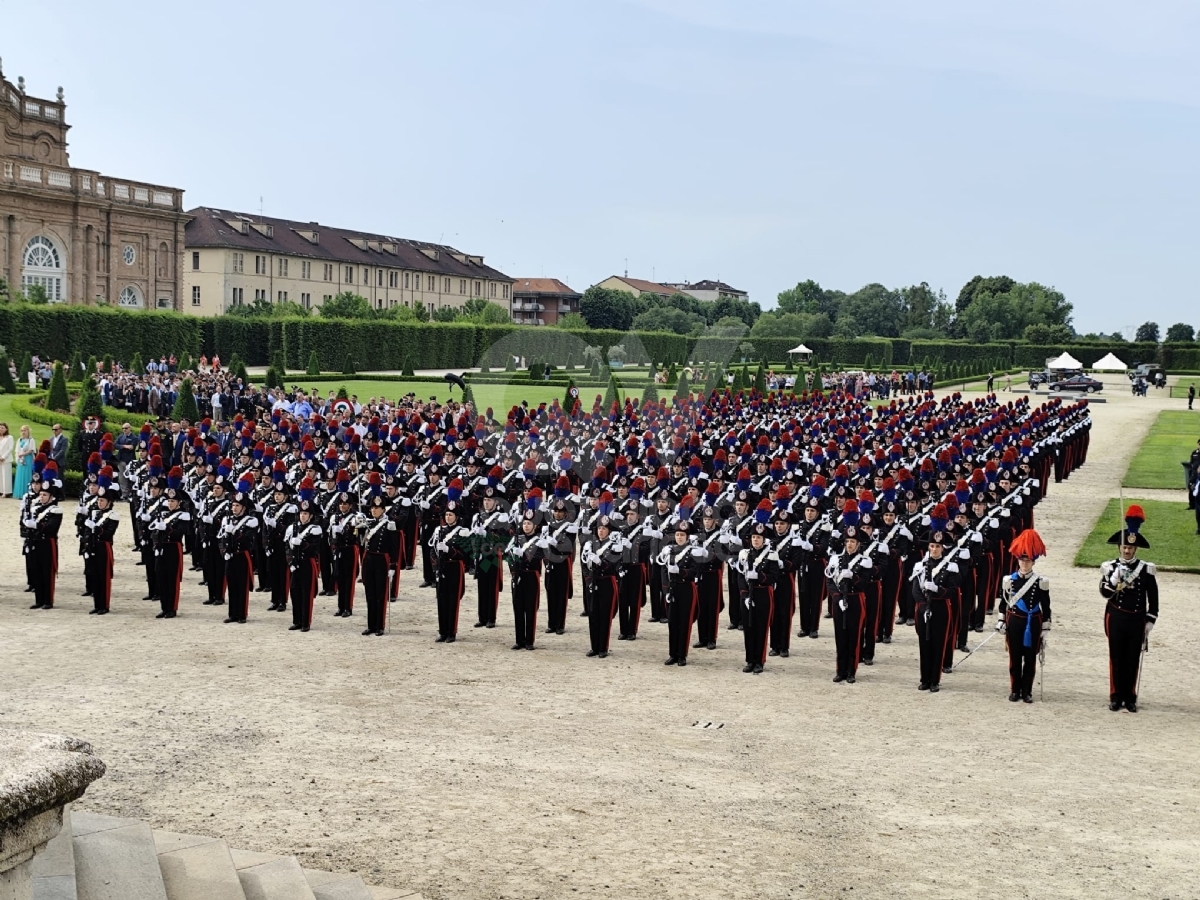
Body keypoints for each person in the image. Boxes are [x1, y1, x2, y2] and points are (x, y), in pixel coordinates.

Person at [1100, 505, 1158, 712]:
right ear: (1119, 548)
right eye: (1124, 548)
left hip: (1136, 618)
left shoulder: (1145, 569)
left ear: (1135, 549)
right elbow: (1104, 593)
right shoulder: (1110, 567)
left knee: (1133, 658)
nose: (1127, 551)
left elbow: (1153, 597)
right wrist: (1114, 579)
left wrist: (1150, 620)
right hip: (1116, 616)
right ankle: (1115, 696)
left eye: (1130, 548)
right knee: (1116, 656)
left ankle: (1130, 696)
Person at [997, 529, 1051, 703]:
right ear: (1018, 560)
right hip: (1015, 621)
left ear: (1033, 562)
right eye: (1022, 560)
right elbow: (1003, 604)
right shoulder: (1009, 580)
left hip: (1032, 622)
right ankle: (1015, 689)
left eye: (1028, 561)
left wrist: (1045, 627)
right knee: (1015, 657)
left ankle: (1027, 691)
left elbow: (1046, 606)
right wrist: (1001, 620)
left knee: (1029, 658)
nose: (1025, 564)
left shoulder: (1040, 582)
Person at [909, 528, 961, 692]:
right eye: (932, 546)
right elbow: (915, 590)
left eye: (937, 546)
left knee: (939, 644)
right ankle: (924, 679)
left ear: (942, 548)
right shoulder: (920, 565)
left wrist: (937, 589)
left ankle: (934, 681)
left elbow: (953, 590)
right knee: (924, 643)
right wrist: (924, 605)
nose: (934, 549)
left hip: (941, 607)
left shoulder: (950, 567)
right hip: (923, 607)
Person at [285, 500, 323, 632]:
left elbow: (314, 549)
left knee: (307, 593)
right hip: (295, 563)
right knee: (294, 592)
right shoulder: (292, 528)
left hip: (307, 562)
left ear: (311, 516)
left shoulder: (315, 529)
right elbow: (287, 547)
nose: (303, 516)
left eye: (306, 513)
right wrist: (290, 562)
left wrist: (301, 543)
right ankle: (297, 621)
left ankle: (306, 622)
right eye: (301, 513)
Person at [24, 481, 63, 609]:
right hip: (35, 542)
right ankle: (39, 600)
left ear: (51, 497)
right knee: (36, 571)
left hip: (47, 543)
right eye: (40, 494)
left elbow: (52, 528)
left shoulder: (56, 510)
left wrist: (36, 525)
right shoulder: (35, 508)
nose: (41, 497)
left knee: (47, 572)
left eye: (45, 495)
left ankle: (48, 600)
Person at [83, 484, 120, 615]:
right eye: (98, 500)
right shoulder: (95, 514)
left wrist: (96, 529)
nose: (99, 502)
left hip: (104, 547)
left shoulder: (112, 516)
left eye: (102, 500)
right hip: (93, 546)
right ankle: (97, 604)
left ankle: (104, 605)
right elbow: (87, 532)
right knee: (94, 576)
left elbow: (108, 534)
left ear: (109, 502)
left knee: (103, 577)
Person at [13, 425, 34, 498]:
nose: (23, 432)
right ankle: (19, 493)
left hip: (27, 459)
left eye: (25, 430)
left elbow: (31, 450)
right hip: (20, 459)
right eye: (22, 430)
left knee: (27, 475)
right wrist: (19, 455)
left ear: (28, 431)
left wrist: (23, 454)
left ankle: (27, 493)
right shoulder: (19, 440)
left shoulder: (31, 440)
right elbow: (17, 449)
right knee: (20, 475)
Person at [0, 423, 13, 496]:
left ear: (6, 429)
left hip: (6, 459)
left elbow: (10, 448)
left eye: (2, 428)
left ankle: (6, 492)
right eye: (0, 428)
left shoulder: (9, 437)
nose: (1, 429)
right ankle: (1, 490)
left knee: (6, 476)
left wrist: (3, 457)